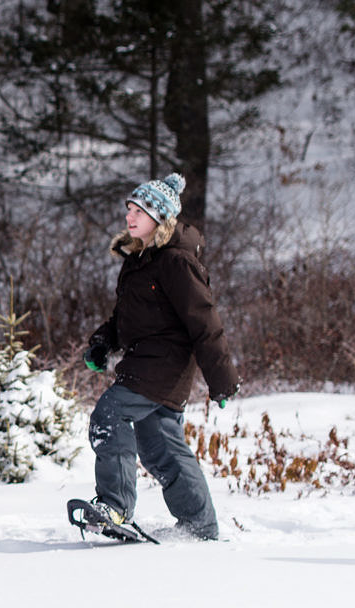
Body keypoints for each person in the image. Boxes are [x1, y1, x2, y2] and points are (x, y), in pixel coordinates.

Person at [80, 173, 238, 541]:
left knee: (110, 413)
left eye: (140, 211)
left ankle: (115, 508)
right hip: (142, 361)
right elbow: (126, 318)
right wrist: (103, 342)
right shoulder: (139, 260)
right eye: (129, 210)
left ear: (160, 218)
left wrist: (222, 378)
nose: (130, 217)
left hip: (165, 365)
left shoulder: (176, 262)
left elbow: (205, 320)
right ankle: (200, 525)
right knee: (158, 446)